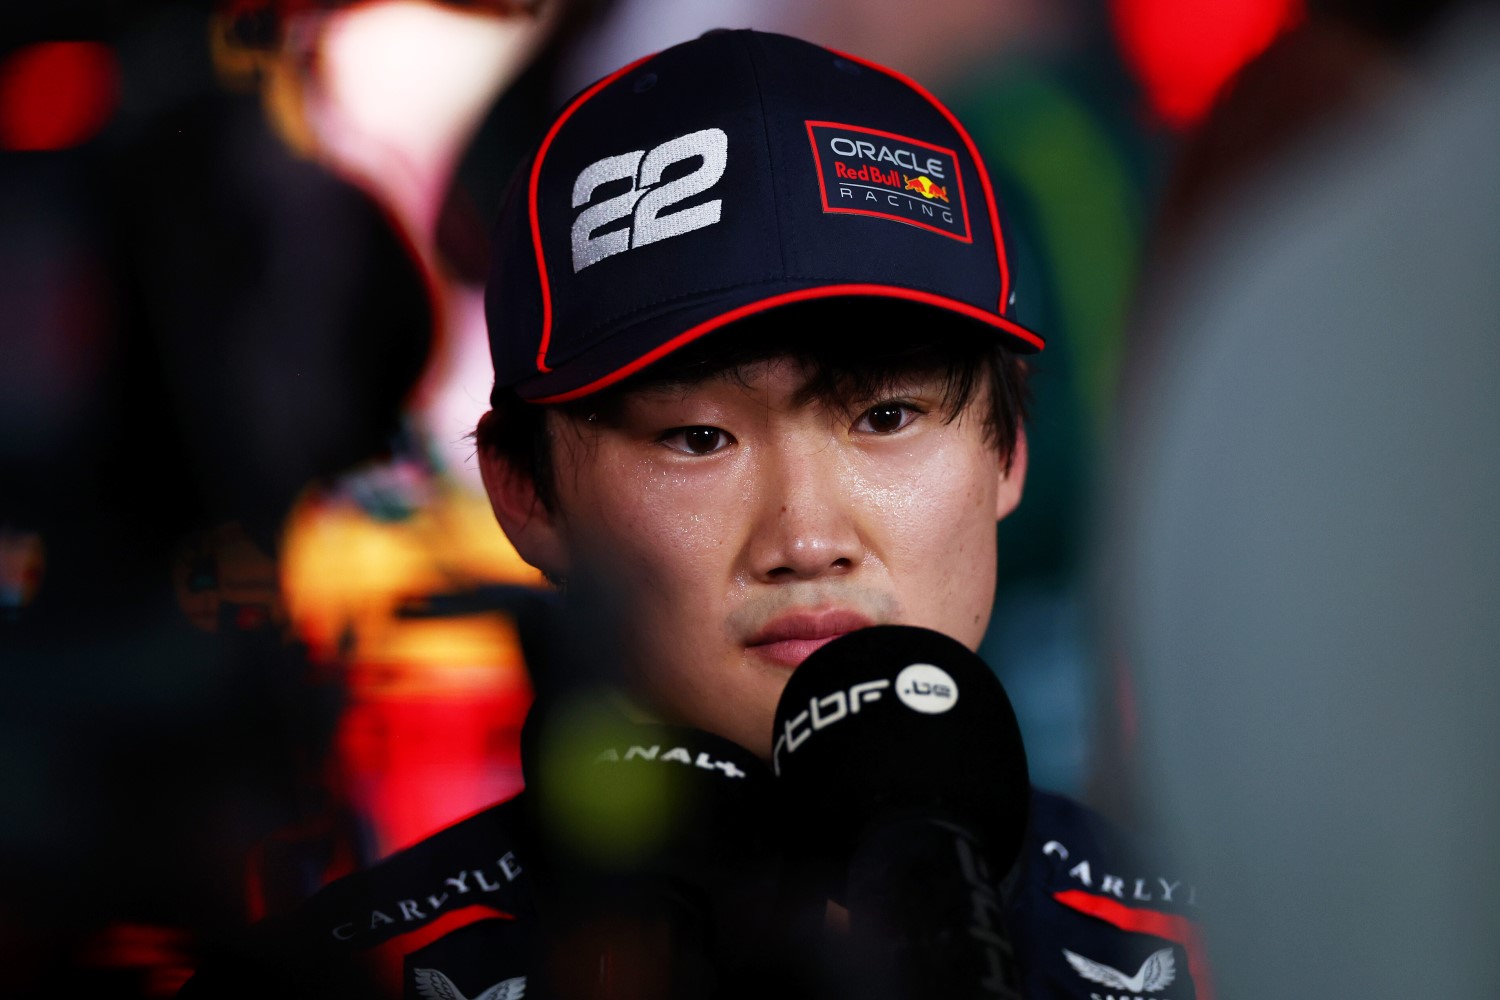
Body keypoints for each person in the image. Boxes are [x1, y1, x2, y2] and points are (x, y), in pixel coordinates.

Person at [179, 28, 1209, 1000]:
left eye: (887, 416)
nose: (807, 539)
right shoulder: (340, 982)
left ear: (1008, 452)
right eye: (698, 438)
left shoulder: (1253, 946)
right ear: (524, 492)